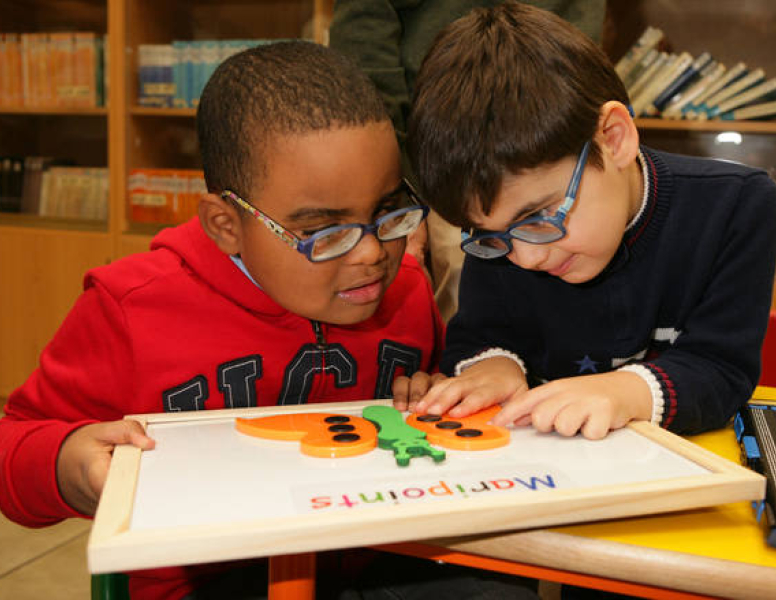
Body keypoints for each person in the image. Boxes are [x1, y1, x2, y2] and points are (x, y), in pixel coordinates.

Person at [0, 41, 447, 600]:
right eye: (324, 231)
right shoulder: (132, 309)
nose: (371, 253)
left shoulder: (407, 293)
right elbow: (13, 440)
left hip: (376, 559)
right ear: (225, 224)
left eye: (387, 213)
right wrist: (68, 464)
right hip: (203, 577)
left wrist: (438, 393)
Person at [400, 2, 776, 441]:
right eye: (491, 237)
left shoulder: (735, 206)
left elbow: (722, 370)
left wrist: (624, 392)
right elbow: (478, 336)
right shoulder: (506, 237)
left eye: (540, 217)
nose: (526, 257)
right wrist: (494, 365)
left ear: (613, 139)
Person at [329, 0, 608, 323]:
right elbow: (365, 40)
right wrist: (400, 193)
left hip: (553, 140)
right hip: (442, 155)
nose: (529, 258)